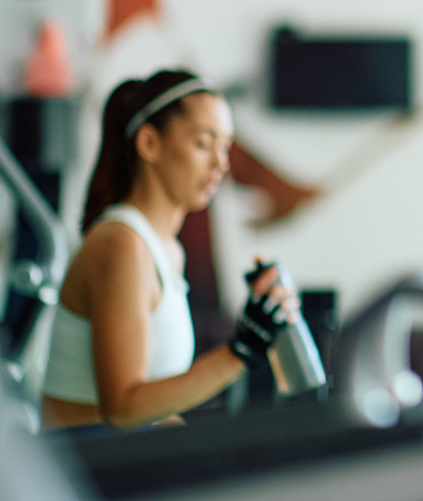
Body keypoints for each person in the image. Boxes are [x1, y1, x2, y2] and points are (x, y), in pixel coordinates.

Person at [41, 70, 297, 431]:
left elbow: (155, 411)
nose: (221, 164)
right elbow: (124, 408)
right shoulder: (122, 244)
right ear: (149, 143)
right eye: (203, 144)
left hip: (123, 464)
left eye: (225, 147)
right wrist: (241, 350)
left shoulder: (168, 251)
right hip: (82, 470)